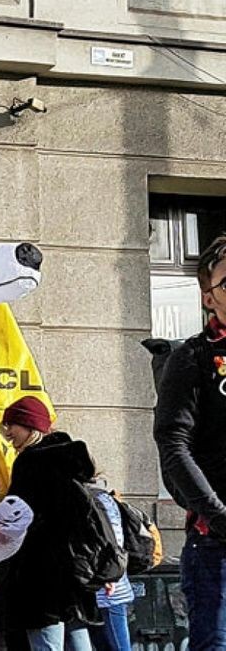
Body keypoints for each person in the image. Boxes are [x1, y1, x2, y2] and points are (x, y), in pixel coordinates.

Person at [155, 233, 226, 651]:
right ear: (208, 297)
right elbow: (173, 443)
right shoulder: (193, 358)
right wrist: (217, 515)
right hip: (216, 547)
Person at [0, 396, 102, 651]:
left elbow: (18, 516)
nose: (8, 432)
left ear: (30, 426)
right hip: (73, 572)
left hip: (40, 572)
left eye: (12, 425)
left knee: (46, 643)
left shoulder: (31, 463)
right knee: (77, 639)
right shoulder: (67, 461)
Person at [88, 476, 134, 651]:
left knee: (117, 644)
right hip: (107, 584)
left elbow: (112, 541)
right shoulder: (105, 498)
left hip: (108, 588)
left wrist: (108, 576)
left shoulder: (96, 500)